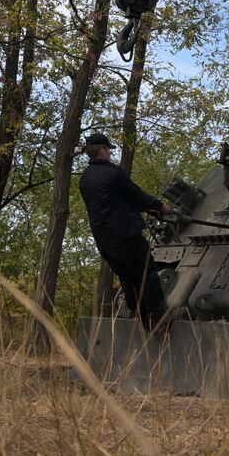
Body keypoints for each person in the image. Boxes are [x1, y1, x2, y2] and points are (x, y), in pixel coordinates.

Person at [78, 131, 171, 330]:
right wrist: (161, 207)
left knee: (128, 279)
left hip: (104, 241)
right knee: (147, 272)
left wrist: (148, 210)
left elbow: (115, 202)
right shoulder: (112, 173)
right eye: (108, 150)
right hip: (126, 235)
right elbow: (137, 196)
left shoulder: (85, 179)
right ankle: (159, 315)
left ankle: (141, 318)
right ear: (102, 151)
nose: (110, 154)